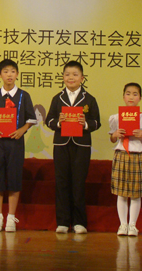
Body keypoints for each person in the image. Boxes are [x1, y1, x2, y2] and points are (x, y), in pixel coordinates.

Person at [46, 61, 101, 234]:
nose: (71, 78)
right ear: (63, 77)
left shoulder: (89, 99)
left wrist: (85, 124)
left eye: (75, 75)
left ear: (82, 78)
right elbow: (49, 120)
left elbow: (97, 122)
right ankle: (63, 222)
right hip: (61, 144)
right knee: (61, 182)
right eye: (67, 74)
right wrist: (58, 122)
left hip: (81, 145)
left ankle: (79, 222)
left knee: (78, 183)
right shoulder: (57, 98)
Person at [0, 59, 36, 232]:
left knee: (14, 177)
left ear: (17, 74)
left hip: (15, 142)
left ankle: (11, 217)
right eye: (5, 71)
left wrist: (22, 130)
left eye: (13, 71)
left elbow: (31, 118)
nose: (9, 75)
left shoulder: (24, 95)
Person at [108, 83, 142, 237]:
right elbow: (112, 138)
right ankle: (123, 225)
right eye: (128, 93)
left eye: (135, 94)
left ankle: (133, 225)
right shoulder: (116, 118)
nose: (131, 97)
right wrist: (115, 135)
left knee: (135, 193)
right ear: (123, 96)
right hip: (121, 154)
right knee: (121, 192)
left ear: (140, 97)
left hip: (137, 155)